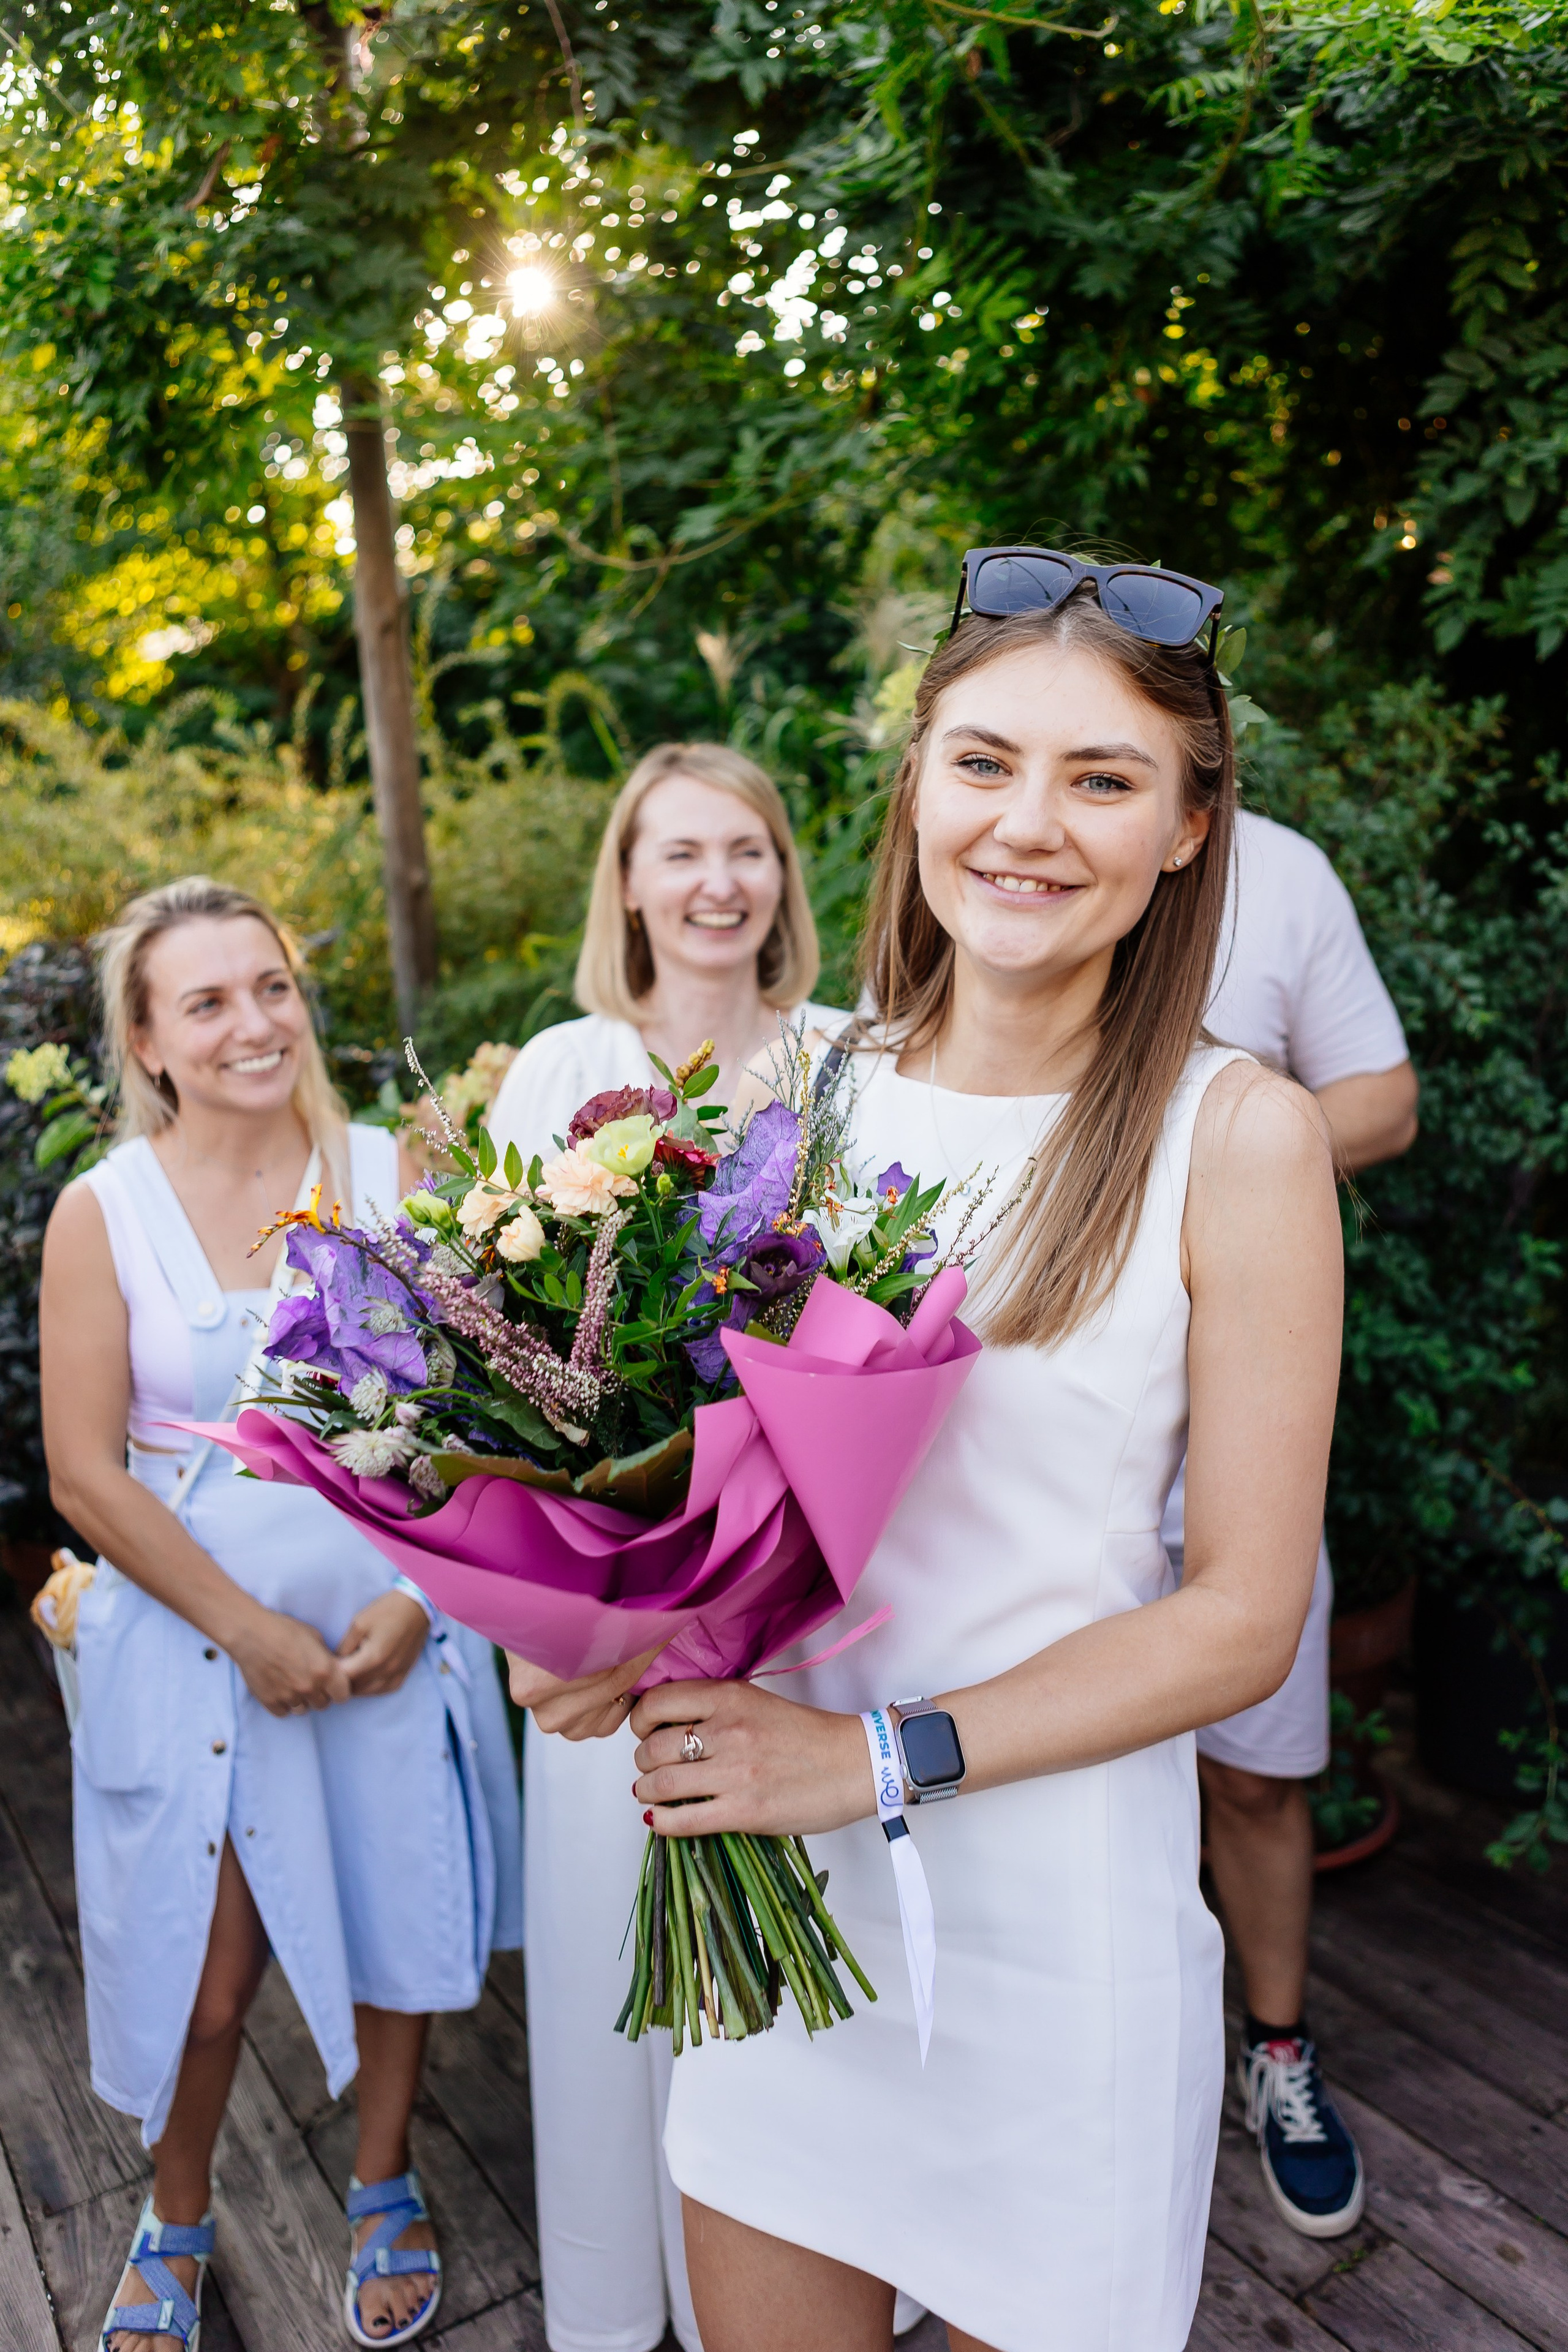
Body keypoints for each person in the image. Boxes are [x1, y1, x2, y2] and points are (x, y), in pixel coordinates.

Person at [582, 559, 1343, 2352]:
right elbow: (694, 1474)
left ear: (1187, 824)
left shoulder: (1239, 1138)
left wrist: (871, 1760)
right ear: (917, 779)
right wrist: (600, 1626)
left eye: (1103, 779)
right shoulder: (801, 1089)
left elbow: (1241, 1617)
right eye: (986, 764)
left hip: (1047, 1928)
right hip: (773, 1916)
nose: (1029, 826)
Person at [39, 878, 522, 2352]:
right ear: (149, 1040)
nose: (253, 1023)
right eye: (207, 1001)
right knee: (207, 1973)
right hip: (202, 1657)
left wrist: (409, 1601)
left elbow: (468, 1423)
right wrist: (247, 1631)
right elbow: (82, 1470)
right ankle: (173, 2213)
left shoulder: (390, 1171)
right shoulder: (102, 1213)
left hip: (384, 1644)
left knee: (395, 1916)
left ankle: (383, 2179)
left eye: (271, 986)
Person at [488, 742, 843, 2352]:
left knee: (801, 2011)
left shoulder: (855, 1063)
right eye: (682, 853)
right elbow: (493, 1356)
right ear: (626, 883)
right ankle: (626, 2308)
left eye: (749, 850)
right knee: (602, 1978)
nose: (719, 884)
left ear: (783, 877)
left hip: (805, 1624)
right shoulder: (558, 1069)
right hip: (602, 1628)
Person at [1167, 808, 1417, 2237]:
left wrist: (1224, 1148)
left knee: (1254, 1767)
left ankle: (1273, 2048)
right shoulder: (1009, 874)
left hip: (1237, 1408)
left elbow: (1382, 1099)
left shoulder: (1282, 874)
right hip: (1037, 1415)